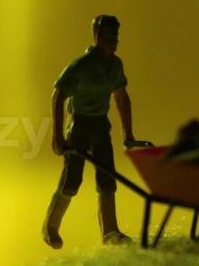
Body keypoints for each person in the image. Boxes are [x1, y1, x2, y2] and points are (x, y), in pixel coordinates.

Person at [43, 15, 139, 248]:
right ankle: (51, 226)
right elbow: (58, 96)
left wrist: (128, 134)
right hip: (79, 127)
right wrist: (57, 136)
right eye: (107, 37)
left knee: (107, 179)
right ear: (96, 36)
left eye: (115, 37)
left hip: (100, 126)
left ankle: (110, 231)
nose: (112, 42)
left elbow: (121, 97)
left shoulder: (115, 66)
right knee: (72, 180)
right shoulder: (81, 66)